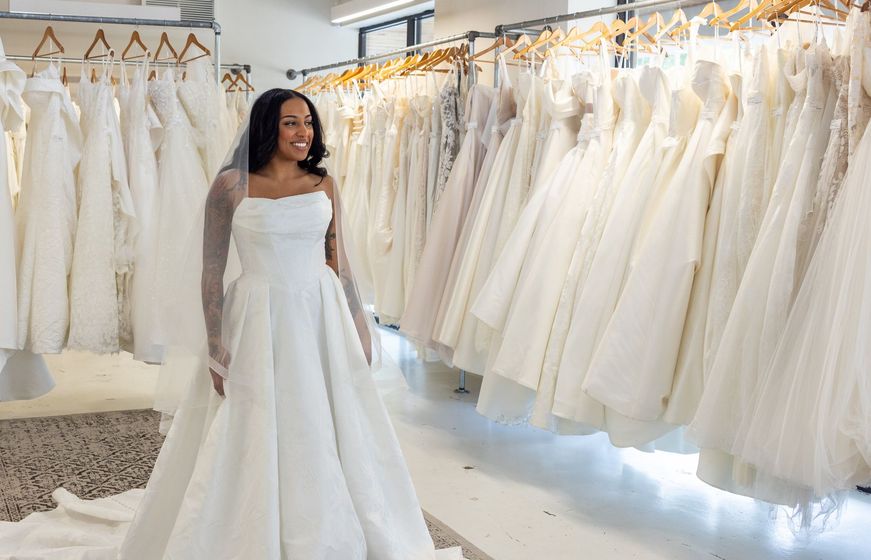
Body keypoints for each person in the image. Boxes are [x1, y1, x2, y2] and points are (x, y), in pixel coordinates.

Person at [0, 89, 460, 560]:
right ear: (266, 127)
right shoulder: (231, 186)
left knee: (328, 419)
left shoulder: (324, 185)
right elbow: (212, 270)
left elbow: (338, 265)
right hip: (257, 317)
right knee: (252, 421)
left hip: (320, 315)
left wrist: (359, 325)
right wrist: (216, 342)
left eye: (308, 122)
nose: (303, 132)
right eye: (291, 123)